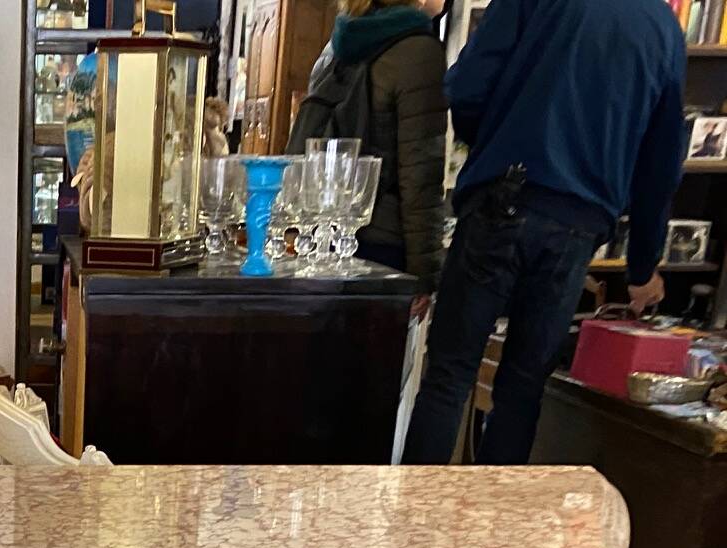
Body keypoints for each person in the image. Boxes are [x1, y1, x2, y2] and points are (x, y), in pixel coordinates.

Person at [404, 0, 687, 466]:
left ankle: (415, 525)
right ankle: (501, 533)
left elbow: (467, 87)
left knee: (451, 374)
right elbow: (661, 160)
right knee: (523, 386)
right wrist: (641, 265)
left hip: (504, 194)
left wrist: (496, 138)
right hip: (580, 223)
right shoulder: (662, 25)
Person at [293, 0, 449, 308]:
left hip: (325, 233)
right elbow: (420, 176)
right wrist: (424, 276)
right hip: (385, 246)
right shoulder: (419, 53)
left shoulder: (341, 42)